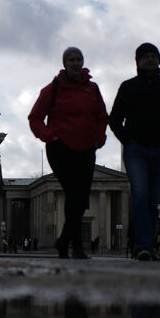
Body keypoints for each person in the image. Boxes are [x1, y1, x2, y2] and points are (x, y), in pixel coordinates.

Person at [108, 42, 160, 261]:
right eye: (146, 56)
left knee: (152, 200)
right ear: (138, 61)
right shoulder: (128, 87)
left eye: (154, 55)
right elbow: (114, 118)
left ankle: (148, 244)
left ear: (159, 60)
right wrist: (127, 140)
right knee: (140, 195)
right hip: (136, 151)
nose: (150, 59)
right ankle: (143, 246)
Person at [29, 46, 108, 259]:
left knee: (80, 198)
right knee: (74, 192)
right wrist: (48, 135)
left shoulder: (92, 89)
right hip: (60, 148)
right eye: (71, 59)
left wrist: (99, 138)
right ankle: (76, 246)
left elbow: (102, 116)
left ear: (83, 62)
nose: (75, 62)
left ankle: (64, 241)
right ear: (64, 63)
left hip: (86, 148)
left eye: (78, 59)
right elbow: (35, 117)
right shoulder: (52, 89)